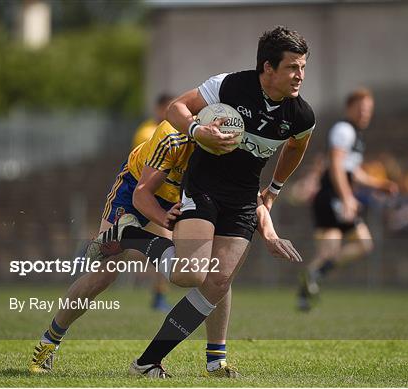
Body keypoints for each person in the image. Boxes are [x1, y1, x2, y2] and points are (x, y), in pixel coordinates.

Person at [29, 120, 294, 378]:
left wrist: (270, 234)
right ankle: (49, 342)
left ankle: (216, 359)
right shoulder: (171, 137)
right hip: (137, 189)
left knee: (219, 268)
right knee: (105, 272)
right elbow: (142, 193)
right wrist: (163, 218)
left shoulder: (231, 149)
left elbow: (250, 198)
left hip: (184, 198)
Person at [127, 26, 315, 378]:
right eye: (292, 67)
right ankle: (136, 239)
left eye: (303, 67)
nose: (300, 76)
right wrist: (197, 129)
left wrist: (273, 189)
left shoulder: (300, 115)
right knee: (191, 275)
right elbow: (175, 108)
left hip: (243, 201)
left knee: (217, 283)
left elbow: (297, 146)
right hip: (203, 188)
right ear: (268, 68)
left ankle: (148, 362)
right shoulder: (228, 86)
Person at [297, 88, 398, 311]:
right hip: (331, 197)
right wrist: (347, 198)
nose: (365, 114)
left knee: (347, 248)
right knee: (354, 245)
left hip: (335, 197)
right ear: (349, 108)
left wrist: (379, 184)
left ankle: (310, 283)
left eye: (369, 110)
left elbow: (354, 171)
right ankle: (312, 279)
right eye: (361, 109)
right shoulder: (344, 130)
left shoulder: (354, 133)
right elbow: (335, 166)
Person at [131, 92, 175, 312]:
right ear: (158, 109)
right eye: (167, 108)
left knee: (165, 247)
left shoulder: (175, 131)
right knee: (165, 245)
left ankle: (159, 295)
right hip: (147, 197)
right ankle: (158, 296)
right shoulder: (147, 132)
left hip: (164, 197)